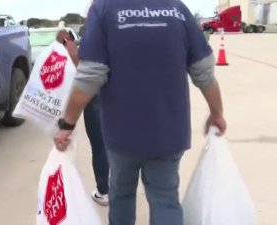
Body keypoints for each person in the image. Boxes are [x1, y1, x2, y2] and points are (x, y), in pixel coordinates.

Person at [53, 0, 227, 224]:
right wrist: (216, 112)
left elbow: (90, 75)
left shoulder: (104, 9)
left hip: (122, 133)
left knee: (121, 193)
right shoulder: (177, 10)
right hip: (169, 131)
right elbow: (203, 71)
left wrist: (67, 124)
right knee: (165, 198)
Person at [56, 30, 110, 206]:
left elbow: (81, 64)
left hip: (97, 96)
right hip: (122, 94)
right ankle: (122, 188)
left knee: (100, 146)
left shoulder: (97, 27)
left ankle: (104, 191)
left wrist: (67, 41)